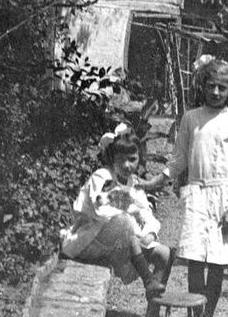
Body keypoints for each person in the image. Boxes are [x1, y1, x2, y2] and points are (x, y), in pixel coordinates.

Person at [145, 56, 228, 317]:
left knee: (216, 263)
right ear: (202, 86)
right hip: (196, 195)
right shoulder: (191, 118)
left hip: (224, 198)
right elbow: (180, 157)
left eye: (222, 88)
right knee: (194, 260)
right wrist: (158, 180)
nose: (216, 93)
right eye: (211, 86)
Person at [60, 123, 172, 300]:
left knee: (164, 254)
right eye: (121, 160)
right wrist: (132, 225)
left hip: (121, 241)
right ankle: (148, 279)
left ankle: (152, 314)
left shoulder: (133, 183)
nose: (127, 165)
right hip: (92, 240)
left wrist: (149, 233)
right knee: (125, 221)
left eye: (132, 159)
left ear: (139, 158)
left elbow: (145, 212)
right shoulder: (103, 177)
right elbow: (101, 211)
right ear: (112, 158)